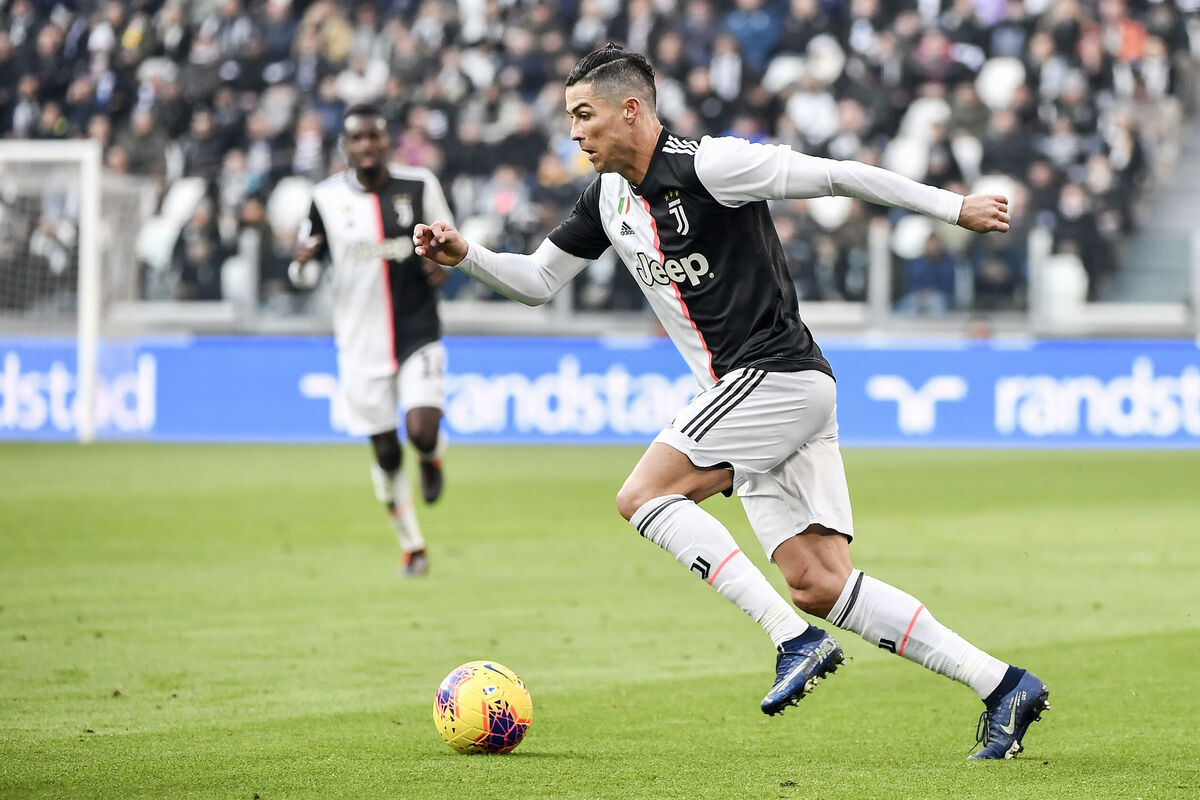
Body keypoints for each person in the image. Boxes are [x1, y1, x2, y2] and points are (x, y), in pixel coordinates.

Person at [413, 44, 1049, 759]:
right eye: (570, 118)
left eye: (584, 115)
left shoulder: (712, 165)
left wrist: (953, 207)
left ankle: (793, 641)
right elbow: (537, 281)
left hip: (775, 375)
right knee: (818, 582)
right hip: (768, 395)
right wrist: (465, 256)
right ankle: (1004, 686)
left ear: (632, 110)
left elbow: (837, 174)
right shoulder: (606, 199)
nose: (574, 132)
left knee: (643, 496)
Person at [291, 103, 451, 578]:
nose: (366, 146)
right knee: (384, 452)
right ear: (345, 145)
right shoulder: (324, 199)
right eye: (356, 138)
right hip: (359, 342)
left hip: (417, 331)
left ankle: (431, 458)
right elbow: (302, 274)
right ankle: (412, 547)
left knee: (422, 430)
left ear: (387, 142)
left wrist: (441, 264)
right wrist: (301, 264)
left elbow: (448, 244)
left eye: (374, 137)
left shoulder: (419, 185)